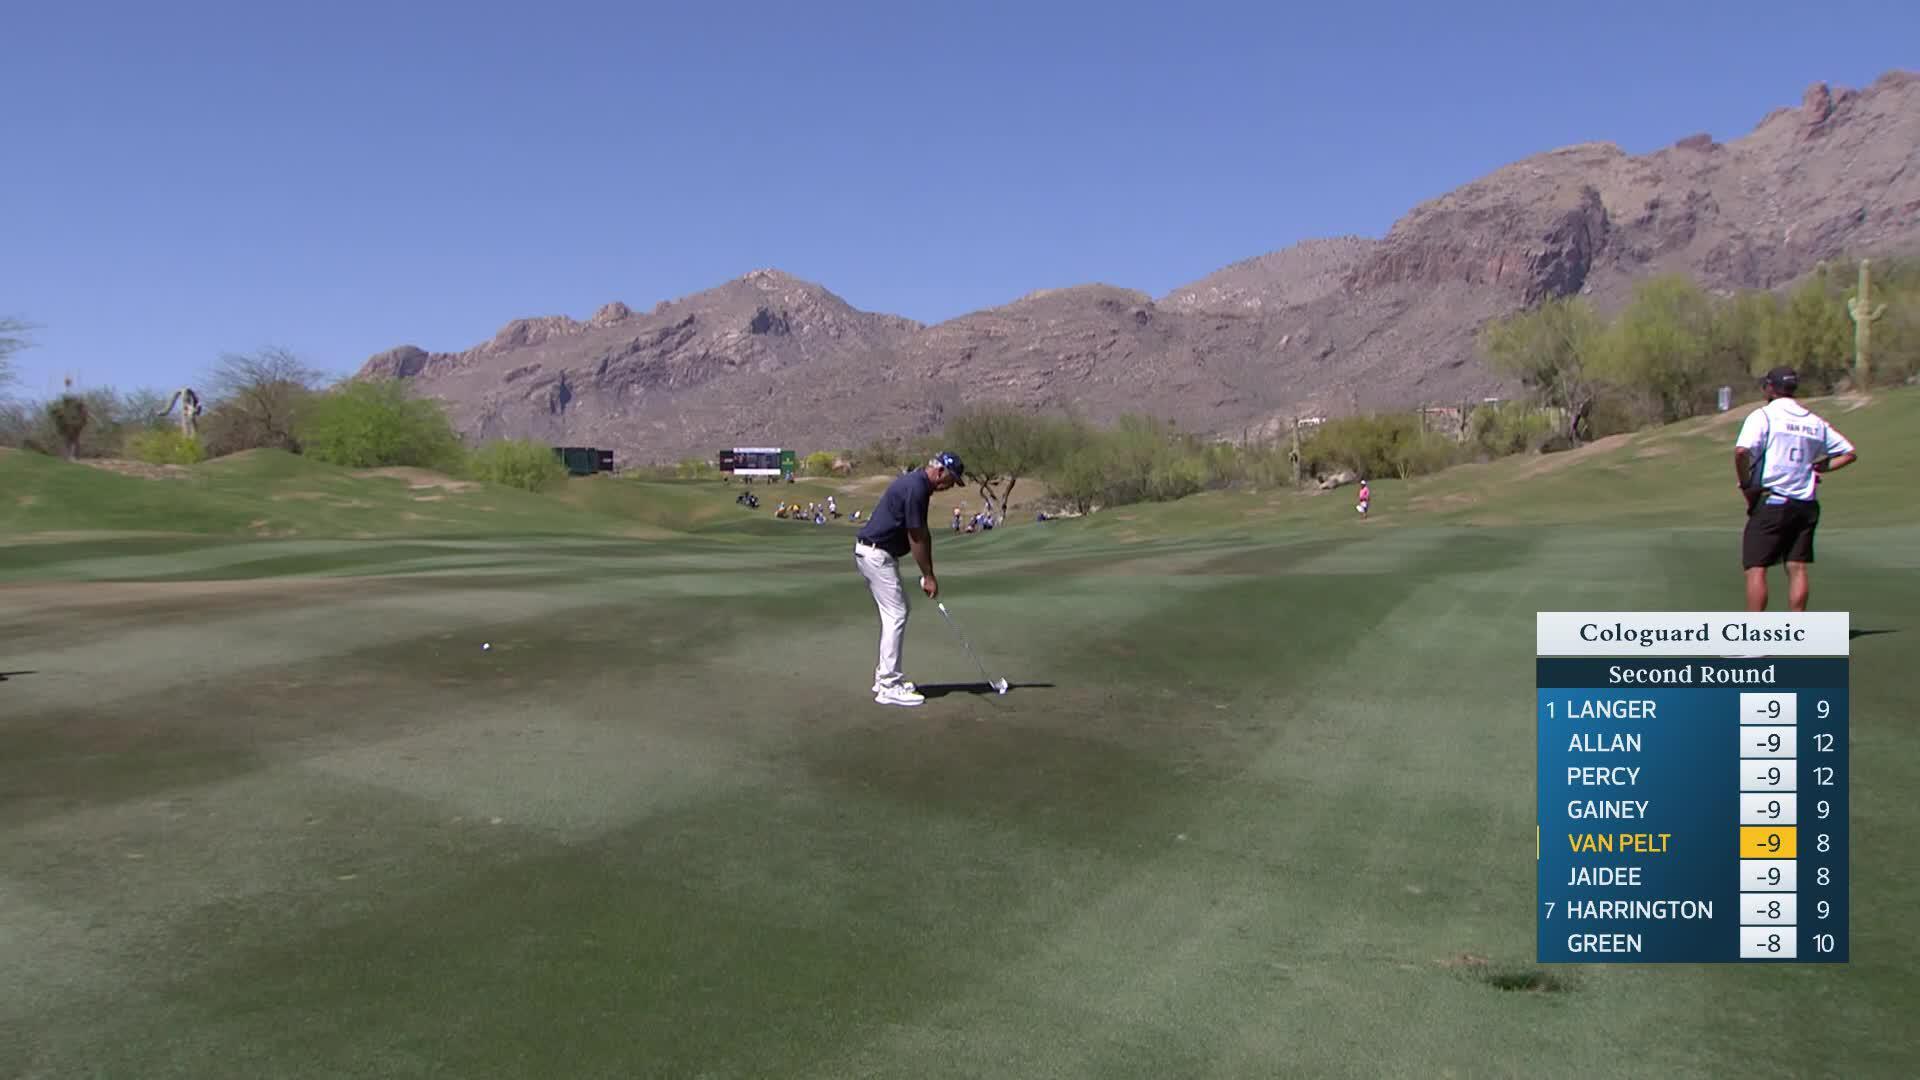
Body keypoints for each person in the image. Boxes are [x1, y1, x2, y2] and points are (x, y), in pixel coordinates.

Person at [1734, 366, 1858, 613]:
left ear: (1770, 388)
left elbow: (1741, 451)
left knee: (1756, 568)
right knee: (1797, 567)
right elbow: (1848, 453)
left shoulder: (1764, 416)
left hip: (1773, 501)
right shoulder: (1813, 421)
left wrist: (1746, 482)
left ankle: (1752, 637)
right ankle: (1795, 633)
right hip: (1805, 504)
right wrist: (1820, 466)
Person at [854, 452, 964, 706]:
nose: (950, 487)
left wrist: (928, 572)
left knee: (895, 612)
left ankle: (885, 676)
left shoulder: (916, 484)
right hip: (876, 553)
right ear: (939, 473)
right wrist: (928, 576)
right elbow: (916, 536)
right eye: (951, 480)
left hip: (874, 552)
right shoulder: (917, 488)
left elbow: (922, 534)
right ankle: (889, 685)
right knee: (897, 614)